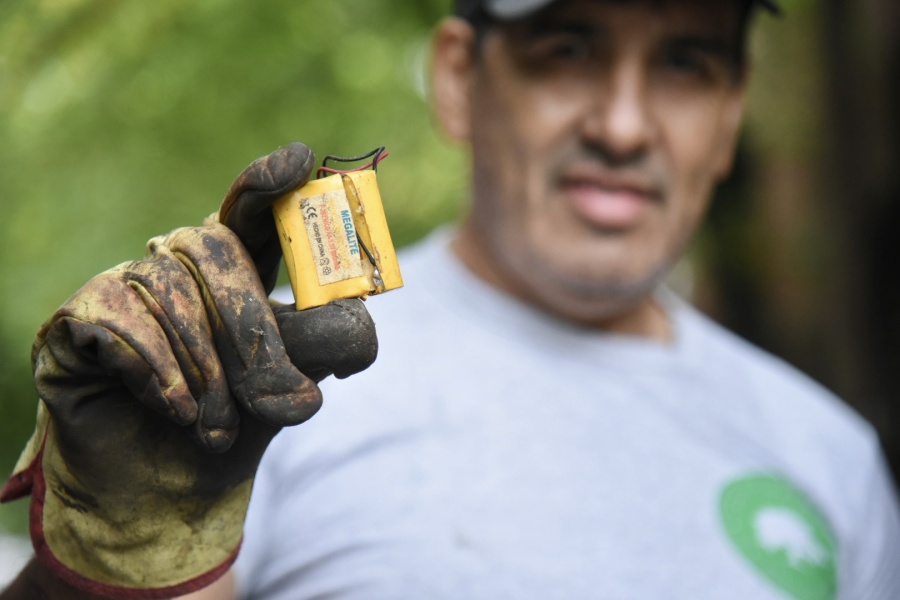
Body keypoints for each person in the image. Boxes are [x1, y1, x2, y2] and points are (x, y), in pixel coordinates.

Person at [2, 0, 899, 598]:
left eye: (686, 63)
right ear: (462, 77)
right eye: (569, 49)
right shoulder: (259, 386)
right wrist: (105, 564)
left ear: (733, 110)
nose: (625, 125)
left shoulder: (830, 459)